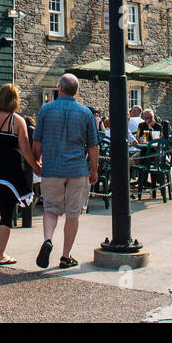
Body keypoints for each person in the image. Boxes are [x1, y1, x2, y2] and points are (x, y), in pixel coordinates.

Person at [33, 73, 98, 270]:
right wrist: (93, 169)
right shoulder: (86, 112)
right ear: (76, 91)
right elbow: (93, 146)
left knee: (51, 209)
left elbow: (38, 142)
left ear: (59, 89)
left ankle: (48, 239)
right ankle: (65, 256)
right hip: (77, 170)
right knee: (73, 214)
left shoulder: (46, 110)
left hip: (52, 168)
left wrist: (37, 159)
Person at [0, 84, 39, 266]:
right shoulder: (17, 121)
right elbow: (25, 149)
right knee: (8, 211)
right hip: (10, 170)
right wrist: (35, 166)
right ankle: (1, 255)